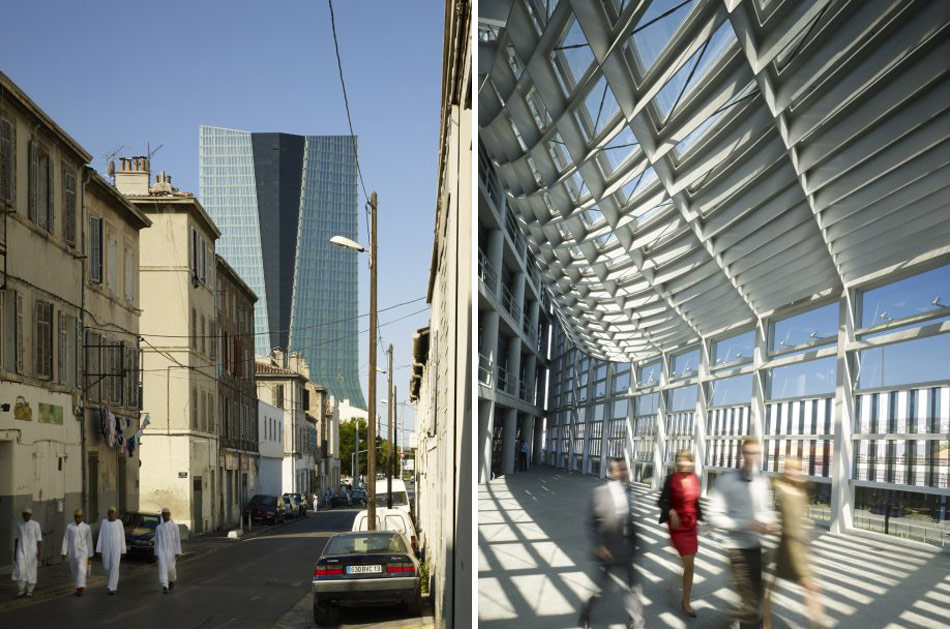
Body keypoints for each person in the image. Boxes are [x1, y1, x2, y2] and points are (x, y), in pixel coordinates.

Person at [707, 437, 779, 629]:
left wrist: (769, 522)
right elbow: (713, 516)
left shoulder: (762, 482)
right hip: (736, 549)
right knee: (749, 602)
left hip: (757, 547)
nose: (751, 457)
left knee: (755, 599)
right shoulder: (725, 481)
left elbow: (764, 510)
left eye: (755, 453)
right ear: (742, 453)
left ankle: (731, 620)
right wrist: (745, 524)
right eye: (748, 453)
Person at [579, 457, 645, 629]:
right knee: (600, 586)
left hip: (627, 549)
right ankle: (587, 609)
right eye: (620, 469)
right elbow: (592, 522)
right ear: (611, 472)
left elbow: (631, 520)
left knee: (633, 587)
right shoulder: (600, 493)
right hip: (607, 550)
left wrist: (638, 542)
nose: (623, 472)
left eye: (625, 468)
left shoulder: (630, 491)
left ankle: (637, 622)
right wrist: (599, 545)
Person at [764, 457, 824, 629]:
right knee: (808, 588)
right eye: (790, 469)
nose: (794, 472)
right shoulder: (785, 492)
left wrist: (807, 545)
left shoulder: (801, 492)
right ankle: (767, 621)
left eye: (797, 469)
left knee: (774, 585)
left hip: (798, 547)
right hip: (790, 548)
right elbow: (788, 527)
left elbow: (796, 524)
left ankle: (767, 621)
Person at [657, 450, 703, 618]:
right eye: (680, 461)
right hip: (677, 526)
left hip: (691, 525)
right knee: (689, 563)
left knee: (689, 565)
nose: (683, 464)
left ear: (691, 462)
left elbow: (696, 502)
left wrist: (701, 519)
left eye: (686, 461)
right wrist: (671, 511)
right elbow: (661, 501)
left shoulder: (695, 479)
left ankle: (683, 596)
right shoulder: (671, 479)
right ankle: (686, 602)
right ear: (677, 463)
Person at [61, 508, 93, 596]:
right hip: (73, 552)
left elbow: (89, 541)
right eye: (76, 517)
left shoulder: (86, 527)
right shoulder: (69, 527)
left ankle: (80, 590)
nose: (77, 519)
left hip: (83, 553)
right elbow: (66, 539)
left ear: (82, 517)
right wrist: (64, 552)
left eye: (79, 517)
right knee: (74, 570)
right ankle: (77, 588)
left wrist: (90, 554)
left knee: (81, 569)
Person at [96, 506, 127, 595]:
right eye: (110, 513)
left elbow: (122, 536)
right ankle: (111, 583)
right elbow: (101, 535)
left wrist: (123, 550)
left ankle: (112, 587)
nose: (111, 514)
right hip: (106, 548)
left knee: (115, 566)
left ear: (115, 514)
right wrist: (98, 549)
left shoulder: (119, 523)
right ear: (108, 514)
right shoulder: (104, 522)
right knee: (106, 566)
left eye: (113, 512)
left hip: (116, 548)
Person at [12, 507, 42, 598]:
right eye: (24, 514)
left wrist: (39, 553)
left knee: (31, 571)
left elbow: (39, 539)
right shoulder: (19, 524)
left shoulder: (36, 525)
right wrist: (15, 551)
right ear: (22, 515)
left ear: (30, 515)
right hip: (21, 550)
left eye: (28, 515)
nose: (26, 516)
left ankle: (29, 591)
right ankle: (21, 590)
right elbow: (17, 538)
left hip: (32, 551)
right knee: (20, 570)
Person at [154, 507, 182, 594]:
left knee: (171, 569)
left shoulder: (174, 527)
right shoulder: (158, 528)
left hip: (172, 551)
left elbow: (177, 539)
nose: (165, 516)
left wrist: (178, 552)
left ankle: (172, 581)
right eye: (164, 514)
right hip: (161, 550)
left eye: (167, 514)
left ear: (169, 515)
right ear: (162, 515)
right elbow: (156, 541)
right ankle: (164, 586)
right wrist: (156, 553)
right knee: (162, 568)